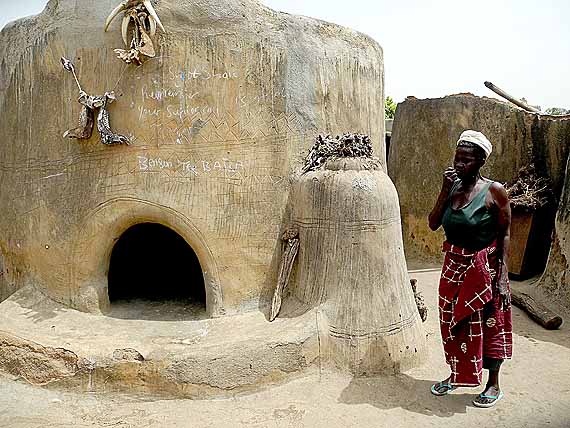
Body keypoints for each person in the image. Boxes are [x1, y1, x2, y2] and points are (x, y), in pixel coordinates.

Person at [428, 130, 513, 408]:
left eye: (466, 160)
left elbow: (505, 234)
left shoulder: (494, 191)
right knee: (452, 323)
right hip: (453, 266)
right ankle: (457, 374)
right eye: (457, 159)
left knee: (490, 323)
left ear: (480, 162)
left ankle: (493, 384)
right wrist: (443, 190)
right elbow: (432, 223)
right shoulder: (451, 187)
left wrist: (501, 278)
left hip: (483, 269)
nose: (459, 165)